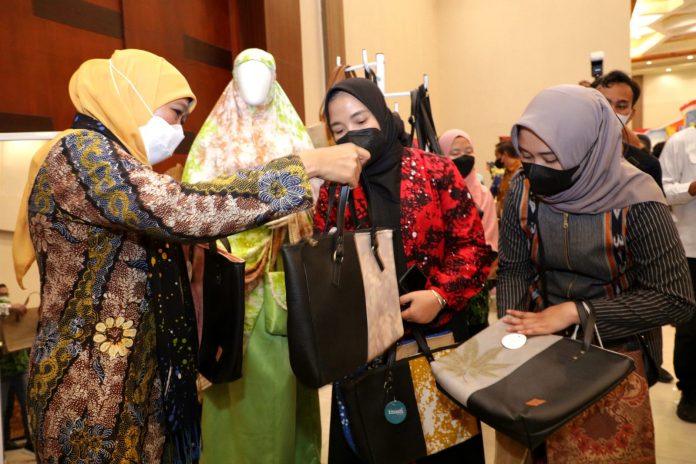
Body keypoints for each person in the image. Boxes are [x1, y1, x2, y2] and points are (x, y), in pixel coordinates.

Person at [12, 49, 368, 463]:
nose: (179, 131)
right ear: (133, 96)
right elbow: (181, 209)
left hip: (133, 381)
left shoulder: (121, 162)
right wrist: (304, 165)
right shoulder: (81, 153)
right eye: (176, 113)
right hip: (90, 393)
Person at [497, 85, 695, 462]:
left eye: (551, 158)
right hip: (539, 346)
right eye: (527, 156)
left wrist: (577, 312)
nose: (537, 170)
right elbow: (514, 267)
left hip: (613, 351)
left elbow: (675, 299)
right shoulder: (523, 188)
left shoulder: (638, 198)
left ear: (588, 149)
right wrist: (513, 328)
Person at [316, 78, 494, 463]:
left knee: (441, 442)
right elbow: (326, 258)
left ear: (382, 115)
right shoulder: (336, 187)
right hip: (366, 349)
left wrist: (439, 295)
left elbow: (472, 248)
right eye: (340, 129)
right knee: (373, 442)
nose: (353, 134)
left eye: (361, 120)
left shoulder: (436, 170)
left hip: (437, 339)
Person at [182, 48, 321, 463]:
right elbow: (193, 201)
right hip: (229, 278)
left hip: (284, 276)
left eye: (262, 76)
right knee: (234, 385)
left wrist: (294, 215)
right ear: (233, 82)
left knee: (287, 383)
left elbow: (314, 195)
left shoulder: (292, 133)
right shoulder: (214, 137)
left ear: (275, 80)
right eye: (246, 76)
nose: (254, 85)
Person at [591, 70, 673, 384]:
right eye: (604, 102)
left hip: (630, 295)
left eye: (621, 105)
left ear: (632, 111)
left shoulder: (645, 165)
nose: (612, 111)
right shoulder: (569, 160)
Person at [659, 126, 696, 422]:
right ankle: (691, 392)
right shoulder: (681, 142)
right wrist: (691, 189)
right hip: (690, 250)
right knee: (690, 328)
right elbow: (663, 190)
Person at [0, 284, 31, 451]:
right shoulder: (6, 310)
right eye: (1, 296)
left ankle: (31, 441)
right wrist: (9, 307)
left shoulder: (14, 315)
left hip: (20, 367)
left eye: (6, 295)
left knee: (27, 406)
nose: (4, 299)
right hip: (2, 371)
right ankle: (3, 443)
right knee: (4, 409)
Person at [493, 141, 522, 218]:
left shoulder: (521, 172)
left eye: (497, 156)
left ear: (505, 155)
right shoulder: (507, 173)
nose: (498, 160)